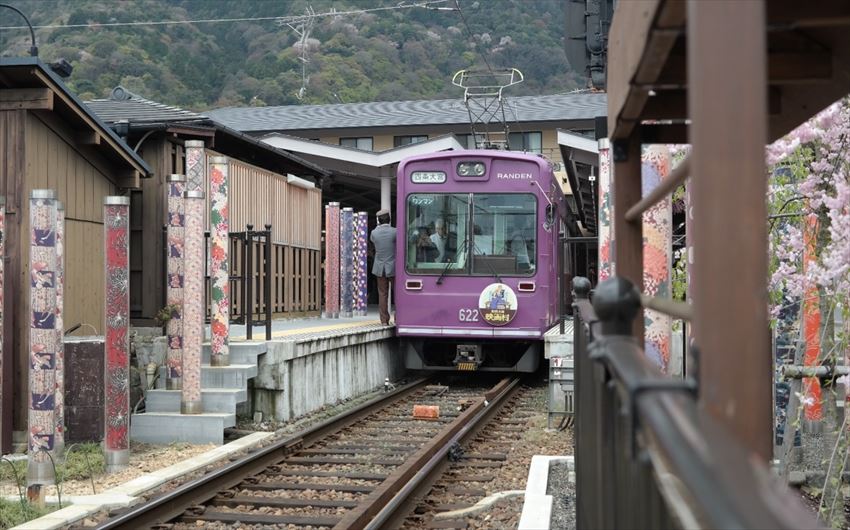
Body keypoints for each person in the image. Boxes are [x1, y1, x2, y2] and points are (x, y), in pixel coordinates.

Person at [370, 208, 397, 325]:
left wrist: (377, 227)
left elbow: (373, 241)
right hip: (393, 267)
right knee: (397, 294)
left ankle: (384, 320)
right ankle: (398, 318)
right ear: (389, 219)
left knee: (382, 294)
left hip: (379, 268)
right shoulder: (395, 231)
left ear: (378, 221)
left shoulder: (374, 233)